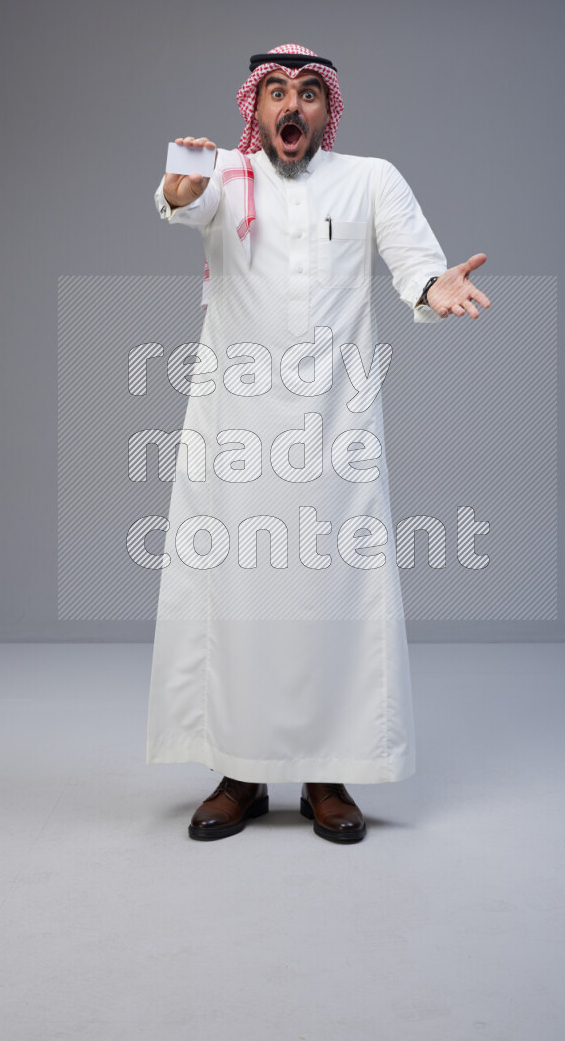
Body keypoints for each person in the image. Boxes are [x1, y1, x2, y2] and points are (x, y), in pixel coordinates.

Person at [147, 44, 489, 844]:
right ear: (254, 110)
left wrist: (437, 288)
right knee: (238, 593)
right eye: (275, 93)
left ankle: (327, 777)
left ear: (327, 112)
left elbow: (416, 264)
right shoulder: (225, 181)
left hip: (335, 428)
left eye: (307, 93)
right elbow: (182, 203)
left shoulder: (370, 178)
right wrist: (174, 190)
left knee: (332, 594)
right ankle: (238, 772)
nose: (290, 106)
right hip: (235, 431)